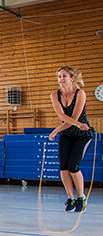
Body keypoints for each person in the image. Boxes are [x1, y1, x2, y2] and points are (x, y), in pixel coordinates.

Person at [48, 66, 93, 213]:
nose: (61, 79)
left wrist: (57, 129)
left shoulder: (80, 94)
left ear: (72, 78)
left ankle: (81, 197)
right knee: (63, 168)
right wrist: (61, 129)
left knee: (73, 166)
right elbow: (62, 116)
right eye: (59, 76)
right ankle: (70, 198)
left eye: (64, 76)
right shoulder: (55, 95)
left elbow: (73, 118)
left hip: (82, 135)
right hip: (66, 134)